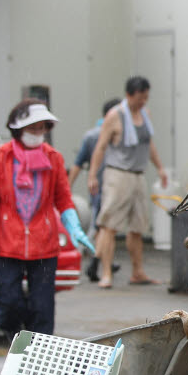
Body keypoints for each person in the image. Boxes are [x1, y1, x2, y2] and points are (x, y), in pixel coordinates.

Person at [0, 99, 95, 343]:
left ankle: (40, 350)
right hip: (7, 243)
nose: (38, 134)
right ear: (18, 129)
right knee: (9, 300)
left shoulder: (54, 159)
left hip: (44, 243)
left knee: (43, 306)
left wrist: (75, 229)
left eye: (42, 129)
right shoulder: (0, 158)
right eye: (32, 129)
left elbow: (63, 198)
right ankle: (14, 338)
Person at [88, 76, 168, 288]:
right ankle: (106, 273)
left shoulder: (145, 114)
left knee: (137, 227)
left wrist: (160, 168)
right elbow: (101, 147)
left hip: (138, 174)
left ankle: (137, 272)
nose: (143, 102)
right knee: (109, 225)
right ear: (130, 95)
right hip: (118, 174)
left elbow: (148, 144)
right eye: (141, 98)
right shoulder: (115, 116)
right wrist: (92, 176)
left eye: (146, 98)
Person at [69, 97, 122, 282]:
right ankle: (96, 261)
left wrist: (68, 187)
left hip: (102, 187)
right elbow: (79, 162)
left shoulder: (94, 134)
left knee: (103, 227)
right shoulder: (99, 135)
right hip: (106, 187)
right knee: (104, 228)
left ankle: (99, 261)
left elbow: (78, 163)